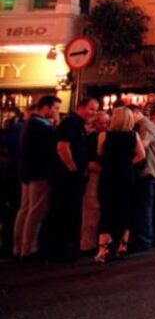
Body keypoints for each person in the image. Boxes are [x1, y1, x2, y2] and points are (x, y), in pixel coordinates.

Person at [44, 97, 98, 261]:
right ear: (80, 107)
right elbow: (62, 146)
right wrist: (72, 167)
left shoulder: (78, 124)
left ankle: (62, 249)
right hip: (65, 177)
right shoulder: (71, 123)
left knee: (68, 212)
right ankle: (57, 251)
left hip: (71, 176)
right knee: (62, 211)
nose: (93, 113)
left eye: (96, 110)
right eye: (91, 109)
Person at [94, 107, 145, 263]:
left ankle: (103, 248)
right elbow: (141, 155)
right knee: (125, 207)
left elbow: (99, 153)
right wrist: (128, 164)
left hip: (109, 173)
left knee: (106, 208)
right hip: (126, 174)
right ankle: (122, 245)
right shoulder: (133, 135)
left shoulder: (103, 135)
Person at [13, 96, 61, 260]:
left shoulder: (29, 124)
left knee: (25, 209)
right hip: (39, 173)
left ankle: (18, 247)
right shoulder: (42, 126)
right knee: (35, 210)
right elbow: (49, 150)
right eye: (55, 108)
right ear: (45, 108)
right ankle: (28, 249)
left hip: (27, 172)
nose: (56, 112)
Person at [132, 104, 155, 252]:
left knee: (145, 207)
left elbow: (143, 146)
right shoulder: (143, 125)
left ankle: (144, 240)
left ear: (136, 113)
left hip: (149, 171)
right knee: (142, 206)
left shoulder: (146, 126)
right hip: (148, 171)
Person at [80, 110, 109, 255]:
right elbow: (89, 161)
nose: (104, 125)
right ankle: (87, 244)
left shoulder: (107, 137)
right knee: (91, 211)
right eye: (101, 123)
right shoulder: (91, 138)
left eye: (106, 123)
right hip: (94, 176)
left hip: (102, 175)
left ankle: (100, 243)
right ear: (95, 124)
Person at [0, 108, 26, 258]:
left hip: (12, 173)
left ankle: (9, 245)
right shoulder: (19, 129)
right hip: (12, 175)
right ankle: (10, 245)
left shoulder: (13, 130)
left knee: (12, 211)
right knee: (13, 210)